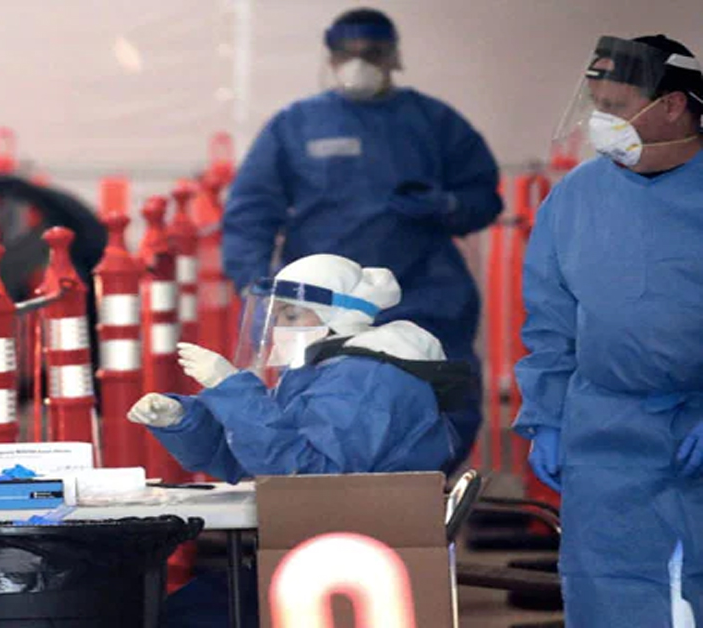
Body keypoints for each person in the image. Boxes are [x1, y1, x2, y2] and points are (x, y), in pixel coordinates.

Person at [221, 7, 501, 468]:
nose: (359, 63)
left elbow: (483, 196)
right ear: (330, 58)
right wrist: (258, 288)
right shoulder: (296, 126)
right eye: (347, 53)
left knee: (438, 404)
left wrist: (447, 204)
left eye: (371, 53)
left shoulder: (433, 122)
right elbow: (251, 210)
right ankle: (337, 496)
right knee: (313, 409)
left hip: (425, 296)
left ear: (393, 57)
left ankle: (421, 494)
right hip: (320, 306)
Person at [515, 34, 703, 626]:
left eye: (617, 108)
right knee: (609, 589)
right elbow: (551, 322)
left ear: (673, 105)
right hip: (606, 433)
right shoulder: (576, 197)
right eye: (596, 106)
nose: (602, 123)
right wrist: (547, 419)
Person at [128, 254, 470, 484]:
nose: (278, 327)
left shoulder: (367, 378)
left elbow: (306, 475)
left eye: (291, 315)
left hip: (363, 541)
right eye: (274, 316)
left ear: (340, 318)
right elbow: (248, 453)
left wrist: (231, 387)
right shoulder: (323, 372)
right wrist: (184, 420)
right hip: (336, 529)